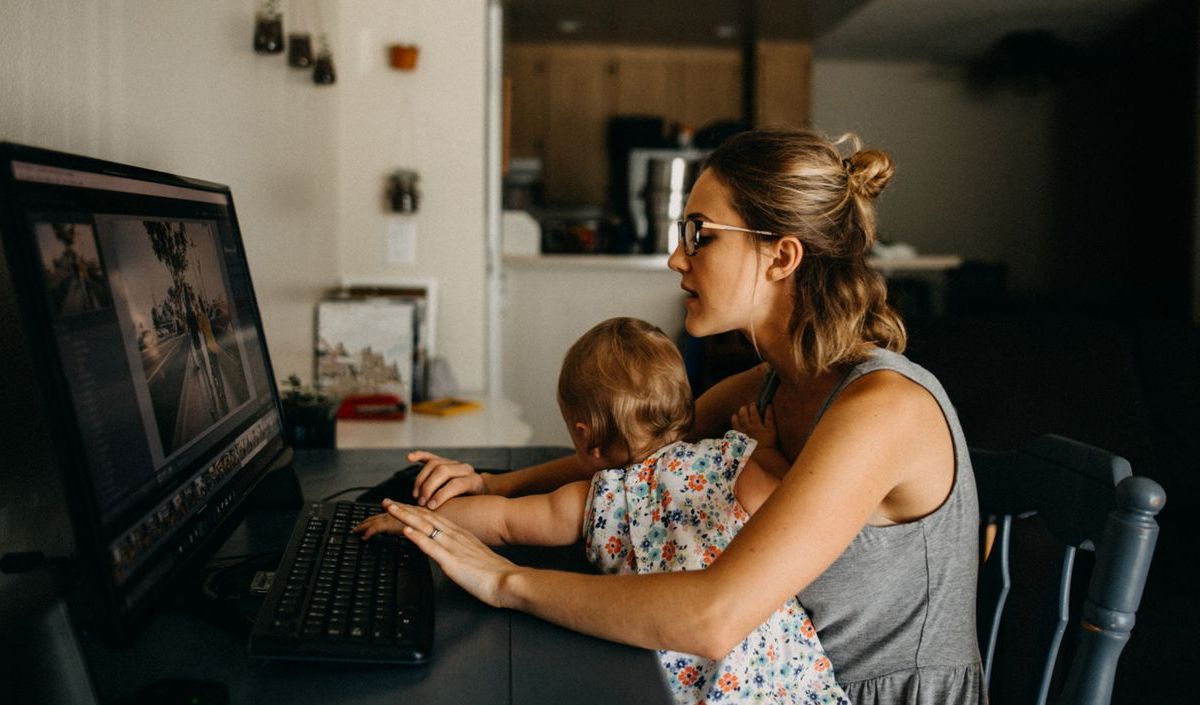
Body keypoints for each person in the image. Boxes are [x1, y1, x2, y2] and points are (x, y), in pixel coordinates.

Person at [381, 129, 983, 704]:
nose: (676, 257)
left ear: (782, 256)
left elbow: (713, 616)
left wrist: (501, 580)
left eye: (700, 234)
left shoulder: (881, 410)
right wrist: (493, 486)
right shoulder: (772, 384)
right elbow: (643, 456)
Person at [358, 317, 849, 704]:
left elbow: (502, 523)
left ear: (585, 438)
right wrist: (763, 444)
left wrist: (415, 520)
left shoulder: (596, 498)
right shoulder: (735, 461)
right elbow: (782, 490)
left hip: (670, 683)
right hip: (777, 679)